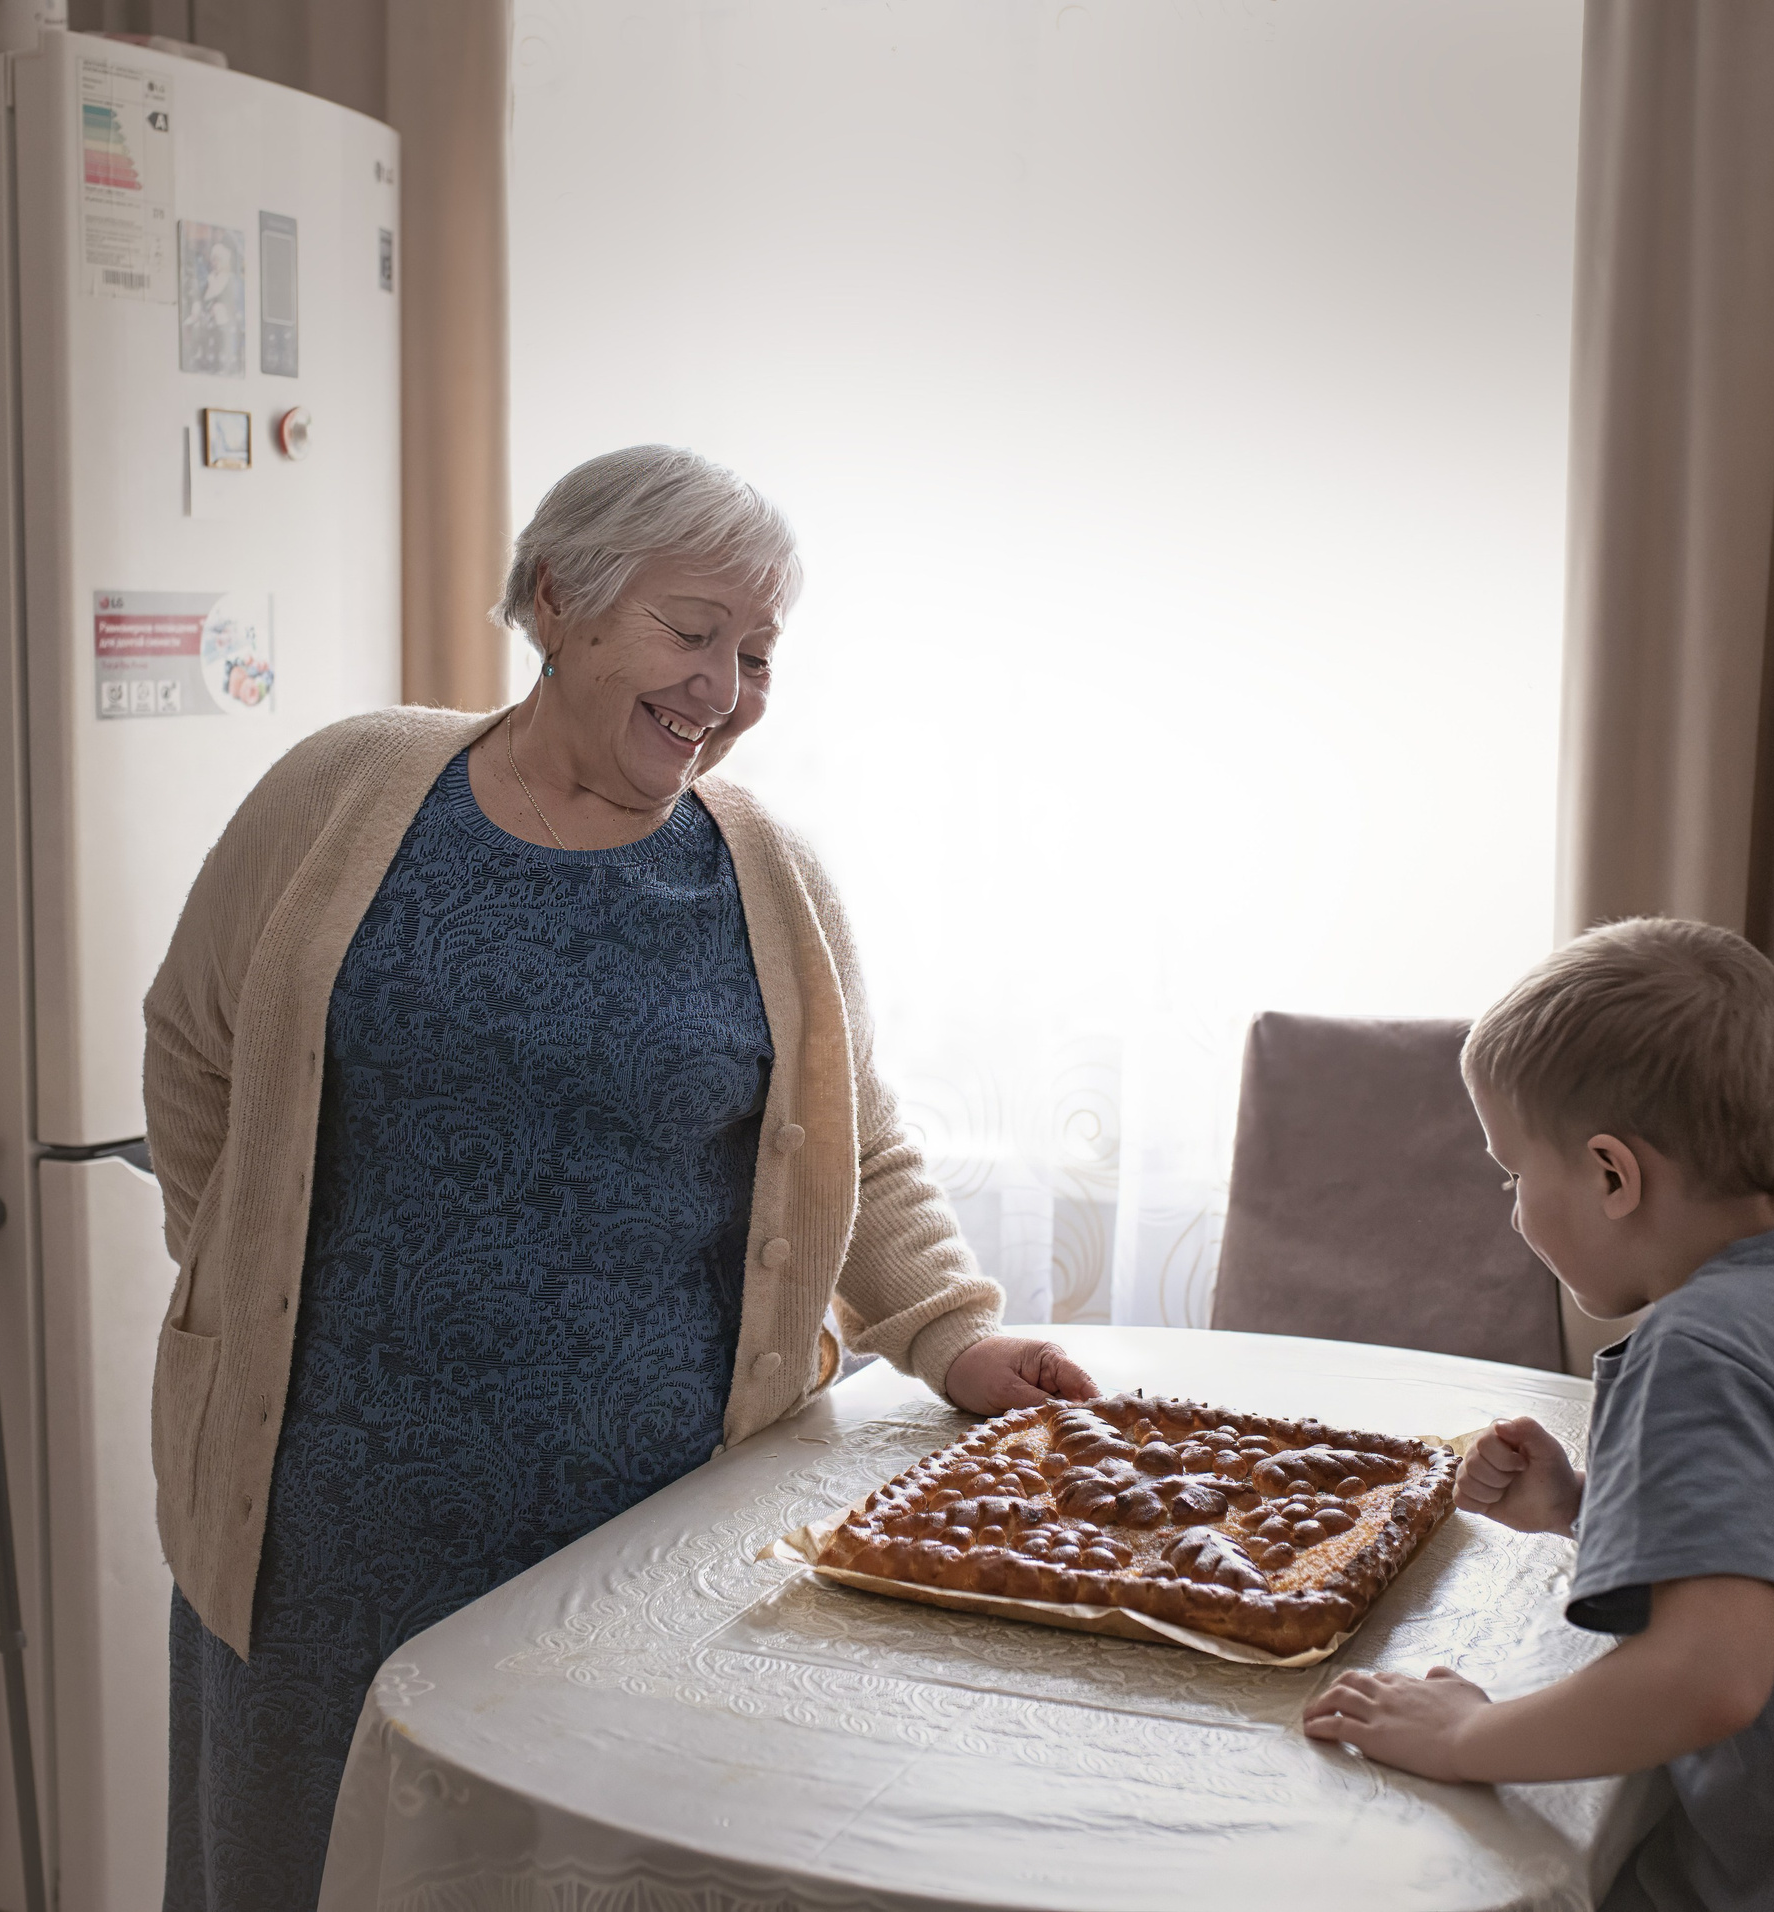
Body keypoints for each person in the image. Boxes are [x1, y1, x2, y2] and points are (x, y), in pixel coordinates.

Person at [142, 445, 1097, 1909]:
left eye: (760, 652)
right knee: (305, 1856)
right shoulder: (345, 793)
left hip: (651, 1520)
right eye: (692, 631)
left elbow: (861, 1143)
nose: (725, 688)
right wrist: (240, 1270)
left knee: (600, 1874)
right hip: (328, 1504)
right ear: (555, 602)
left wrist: (954, 1333)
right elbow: (195, 1040)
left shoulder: (763, 872)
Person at [1303, 917, 1774, 1912]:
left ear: (1613, 1174)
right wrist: (1588, 1505)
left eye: (1514, 1175)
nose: (1515, 1209)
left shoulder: (1698, 1347)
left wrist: (1465, 1735)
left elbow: (1706, 1675)